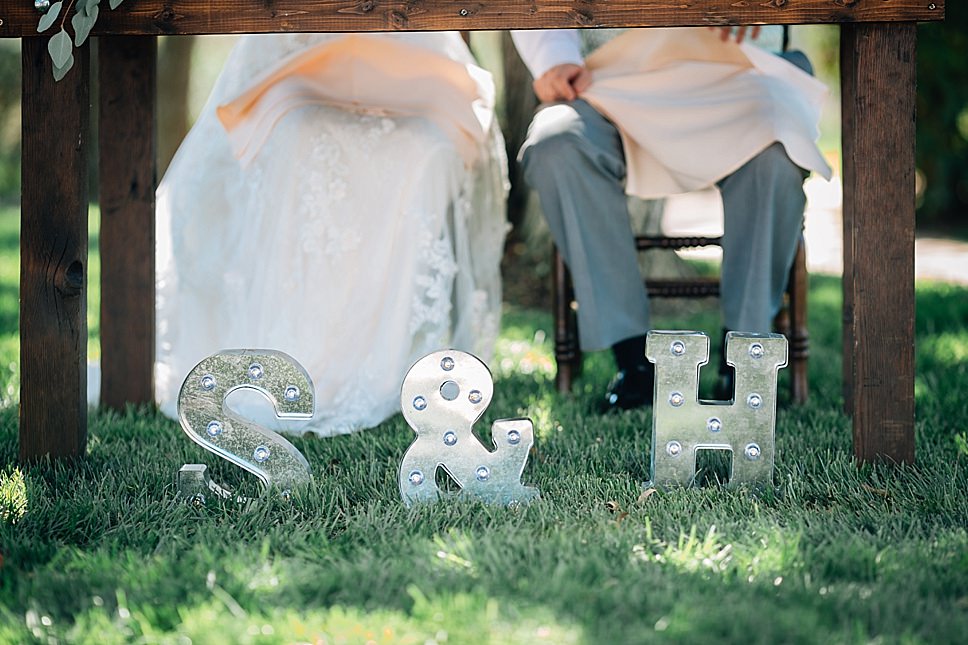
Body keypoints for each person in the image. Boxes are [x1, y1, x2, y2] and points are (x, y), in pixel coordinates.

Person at [150, 32, 508, 436]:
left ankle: (384, 361)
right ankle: (303, 353)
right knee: (301, 140)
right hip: (293, 56)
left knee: (422, 152)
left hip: (413, 57)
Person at [511, 27, 831, 410]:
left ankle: (744, 359)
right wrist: (554, 56)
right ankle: (634, 362)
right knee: (556, 145)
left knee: (777, 154)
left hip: (736, 68)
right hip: (610, 78)